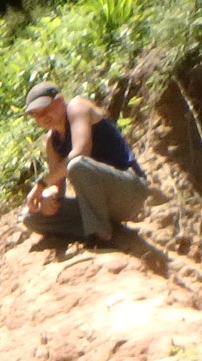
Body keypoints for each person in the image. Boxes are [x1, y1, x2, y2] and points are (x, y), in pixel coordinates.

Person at [20, 80, 151, 246]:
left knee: (77, 164)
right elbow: (58, 188)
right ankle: (107, 229)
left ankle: (101, 236)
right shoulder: (51, 141)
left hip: (129, 191)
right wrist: (48, 197)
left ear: (60, 101)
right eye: (36, 114)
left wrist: (41, 185)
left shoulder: (77, 107)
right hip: (97, 206)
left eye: (46, 109)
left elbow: (80, 152)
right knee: (32, 218)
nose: (43, 117)